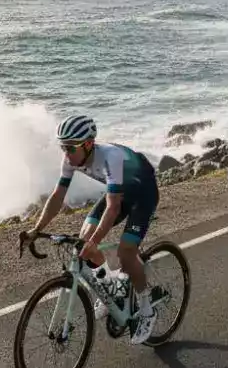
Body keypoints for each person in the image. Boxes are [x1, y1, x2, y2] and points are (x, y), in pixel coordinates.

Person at [22, 115, 160, 345]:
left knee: (125, 252)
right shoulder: (71, 159)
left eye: (70, 148)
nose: (65, 153)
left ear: (87, 145)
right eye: (62, 147)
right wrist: (36, 230)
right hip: (118, 194)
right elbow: (57, 197)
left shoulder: (110, 157)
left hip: (142, 192)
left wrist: (94, 242)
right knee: (82, 240)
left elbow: (114, 208)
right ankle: (113, 288)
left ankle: (147, 310)